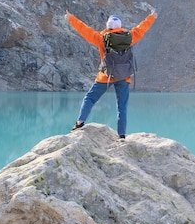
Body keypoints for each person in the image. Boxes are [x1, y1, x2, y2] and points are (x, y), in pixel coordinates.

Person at [65, 9, 157, 139]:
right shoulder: (129, 37)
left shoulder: (102, 38)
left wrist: (70, 18)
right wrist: (152, 17)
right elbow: (142, 28)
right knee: (122, 107)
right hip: (124, 76)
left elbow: (85, 30)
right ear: (120, 26)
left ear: (108, 26)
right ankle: (122, 136)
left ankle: (80, 122)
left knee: (90, 98)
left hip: (106, 76)